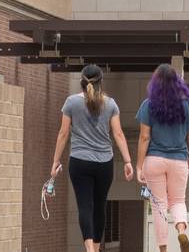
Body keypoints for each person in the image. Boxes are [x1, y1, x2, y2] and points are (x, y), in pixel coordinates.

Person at [49, 64, 135, 252]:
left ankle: (90, 249)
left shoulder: (71, 102)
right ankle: (96, 248)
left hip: (79, 162)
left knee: (85, 205)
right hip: (104, 164)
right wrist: (128, 161)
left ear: (81, 82)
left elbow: (63, 134)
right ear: (100, 83)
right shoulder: (110, 103)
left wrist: (56, 161)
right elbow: (118, 134)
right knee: (99, 206)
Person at [137, 63, 189, 252]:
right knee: (178, 201)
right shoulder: (188, 106)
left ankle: (163, 249)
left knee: (158, 205)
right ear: (177, 82)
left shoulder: (148, 105)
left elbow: (144, 137)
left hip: (154, 160)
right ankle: (181, 230)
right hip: (179, 161)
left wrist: (139, 166)